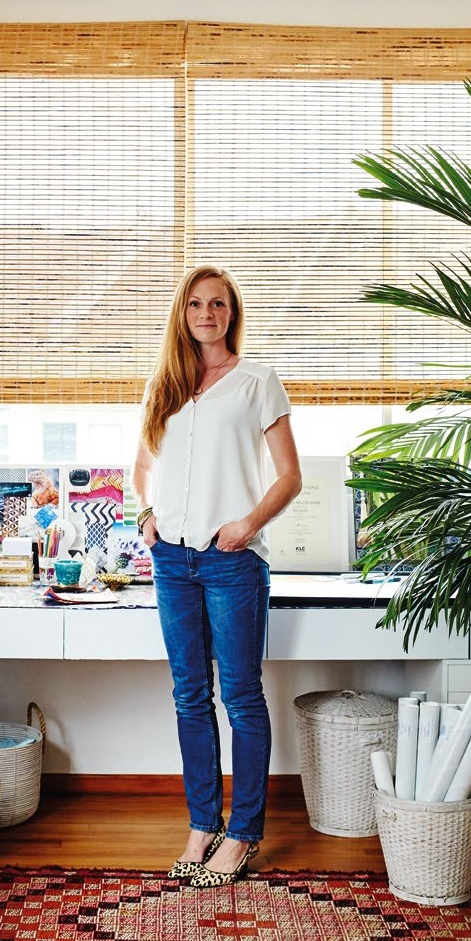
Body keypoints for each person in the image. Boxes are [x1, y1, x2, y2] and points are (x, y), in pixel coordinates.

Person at [132, 264, 301, 889]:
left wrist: (246, 523)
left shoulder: (258, 381)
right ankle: (202, 824)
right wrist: (145, 515)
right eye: (197, 304)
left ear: (232, 313)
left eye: (219, 304)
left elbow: (289, 476)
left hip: (232, 560)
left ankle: (243, 833)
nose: (207, 313)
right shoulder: (165, 385)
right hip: (172, 560)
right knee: (188, 696)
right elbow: (141, 465)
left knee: (241, 697)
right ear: (184, 312)